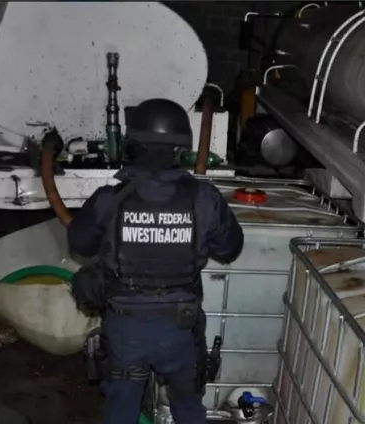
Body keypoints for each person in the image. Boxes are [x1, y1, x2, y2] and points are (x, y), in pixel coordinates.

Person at [66, 98, 244, 424]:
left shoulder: (109, 198)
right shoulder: (204, 198)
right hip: (181, 328)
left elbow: (79, 244)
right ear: (180, 149)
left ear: (134, 145)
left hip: (126, 328)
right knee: (188, 409)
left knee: (121, 412)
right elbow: (230, 249)